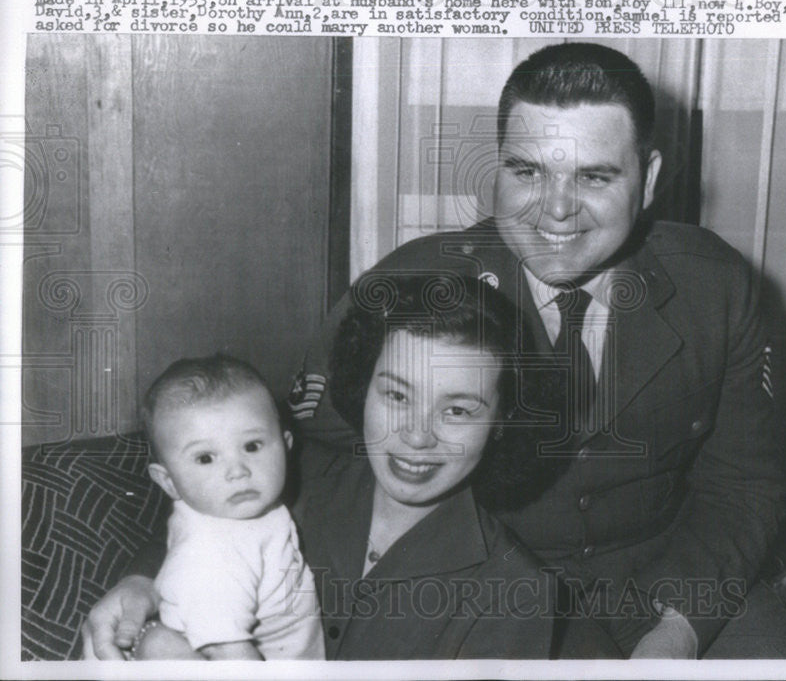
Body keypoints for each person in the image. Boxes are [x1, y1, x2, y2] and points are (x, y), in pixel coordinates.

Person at [87, 42, 786, 660]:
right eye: (527, 172)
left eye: (594, 176)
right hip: (477, 600)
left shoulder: (716, 288)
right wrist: (156, 576)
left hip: (673, 581)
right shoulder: (411, 286)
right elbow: (265, 456)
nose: (554, 209)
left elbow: (744, 486)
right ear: (495, 166)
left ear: (648, 179)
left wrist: (679, 627)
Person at [88, 276, 620, 660]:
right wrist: (139, 583)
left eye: (457, 410)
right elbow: (206, 520)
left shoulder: (515, 597)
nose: (416, 435)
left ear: (501, 422)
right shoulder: (283, 477)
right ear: (363, 389)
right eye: (396, 395)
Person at [136, 354, 324, 660]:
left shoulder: (236, 510)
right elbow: (229, 653)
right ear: (168, 482)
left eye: (252, 446)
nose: (238, 471)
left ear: (286, 447)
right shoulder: (209, 557)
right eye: (206, 458)